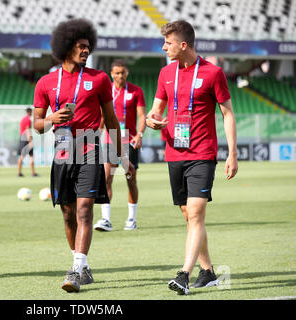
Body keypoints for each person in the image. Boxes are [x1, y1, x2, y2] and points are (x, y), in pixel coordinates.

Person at [33, 18, 135, 293]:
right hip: (63, 151)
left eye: (89, 46)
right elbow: (37, 125)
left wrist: (122, 156)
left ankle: (76, 270)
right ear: (66, 46)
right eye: (81, 46)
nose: (86, 50)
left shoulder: (99, 79)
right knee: (67, 215)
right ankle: (82, 264)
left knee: (84, 209)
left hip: (91, 148)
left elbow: (112, 121)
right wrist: (52, 117)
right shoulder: (45, 82)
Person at [146, 20, 238, 295]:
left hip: (202, 154)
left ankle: (184, 274)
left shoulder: (214, 73)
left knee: (196, 214)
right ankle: (208, 271)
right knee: (190, 217)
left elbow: (228, 114)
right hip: (174, 153)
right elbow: (155, 111)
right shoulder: (165, 74)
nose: (164, 47)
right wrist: (153, 121)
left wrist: (232, 153)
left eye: (168, 43)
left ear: (183, 45)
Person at [94, 59, 147, 232]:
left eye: (122, 72)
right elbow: (102, 117)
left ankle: (131, 219)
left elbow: (142, 115)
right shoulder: (106, 90)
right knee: (107, 178)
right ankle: (106, 219)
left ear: (127, 73)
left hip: (129, 140)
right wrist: (97, 135)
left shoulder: (136, 91)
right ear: (112, 73)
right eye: (117, 72)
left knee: (130, 178)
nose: (120, 76)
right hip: (112, 139)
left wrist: (140, 134)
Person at [17, 107, 37, 177]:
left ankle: (19, 173)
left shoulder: (23, 119)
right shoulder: (28, 120)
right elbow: (28, 131)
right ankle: (33, 173)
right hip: (26, 139)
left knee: (22, 156)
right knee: (30, 156)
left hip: (22, 138)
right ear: (29, 112)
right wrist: (30, 141)